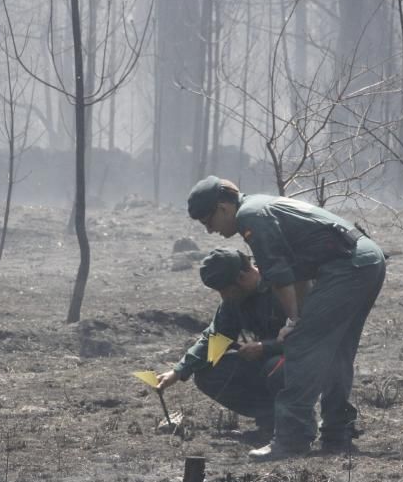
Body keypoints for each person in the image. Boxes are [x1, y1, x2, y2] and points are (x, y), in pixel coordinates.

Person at [186, 175, 385, 460]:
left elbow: (279, 276)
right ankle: (337, 433)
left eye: (208, 221)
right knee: (337, 351)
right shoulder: (260, 206)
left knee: (303, 346)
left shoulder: (249, 216)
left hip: (347, 267)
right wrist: (299, 317)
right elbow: (298, 274)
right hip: (365, 259)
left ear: (223, 208)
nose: (209, 230)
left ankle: (292, 439)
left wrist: (293, 324)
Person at [156, 248, 287, 442]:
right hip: (267, 359)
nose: (224, 297)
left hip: (301, 359)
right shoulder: (235, 298)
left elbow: (310, 335)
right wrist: (178, 372)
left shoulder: (282, 284)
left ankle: (289, 427)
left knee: (274, 367)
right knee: (209, 371)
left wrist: (265, 347)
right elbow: (215, 337)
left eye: (226, 290)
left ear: (242, 277)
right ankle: (269, 421)